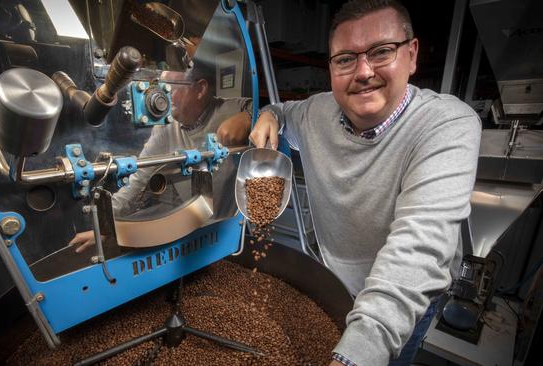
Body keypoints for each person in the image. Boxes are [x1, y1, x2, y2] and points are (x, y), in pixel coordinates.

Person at [249, 1, 481, 365]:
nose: (363, 71)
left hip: (406, 301)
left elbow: (417, 250)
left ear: (412, 54)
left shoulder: (447, 124)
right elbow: (282, 112)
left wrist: (351, 358)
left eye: (381, 51)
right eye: (345, 59)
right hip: (338, 282)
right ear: (331, 68)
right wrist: (267, 115)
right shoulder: (317, 112)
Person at [69, 60, 252, 252]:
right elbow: (138, 178)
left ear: (200, 89)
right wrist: (104, 225)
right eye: (162, 88)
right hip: (190, 230)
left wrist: (247, 117)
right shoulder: (166, 127)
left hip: (228, 229)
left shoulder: (233, 110)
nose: (164, 96)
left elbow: (268, 113)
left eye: (173, 88)